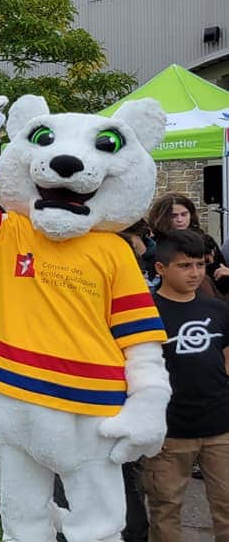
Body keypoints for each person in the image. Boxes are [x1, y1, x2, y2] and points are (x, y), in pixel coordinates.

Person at [143, 229, 229, 542]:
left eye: (199, 265)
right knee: (165, 510)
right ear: (161, 269)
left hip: (220, 429)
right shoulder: (146, 314)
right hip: (169, 433)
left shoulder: (218, 309)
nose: (194, 273)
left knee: (227, 507)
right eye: (184, 266)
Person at [148, 193, 229, 295]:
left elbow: (220, 277)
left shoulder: (205, 241)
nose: (180, 220)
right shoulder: (154, 243)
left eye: (184, 214)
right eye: (174, 216)